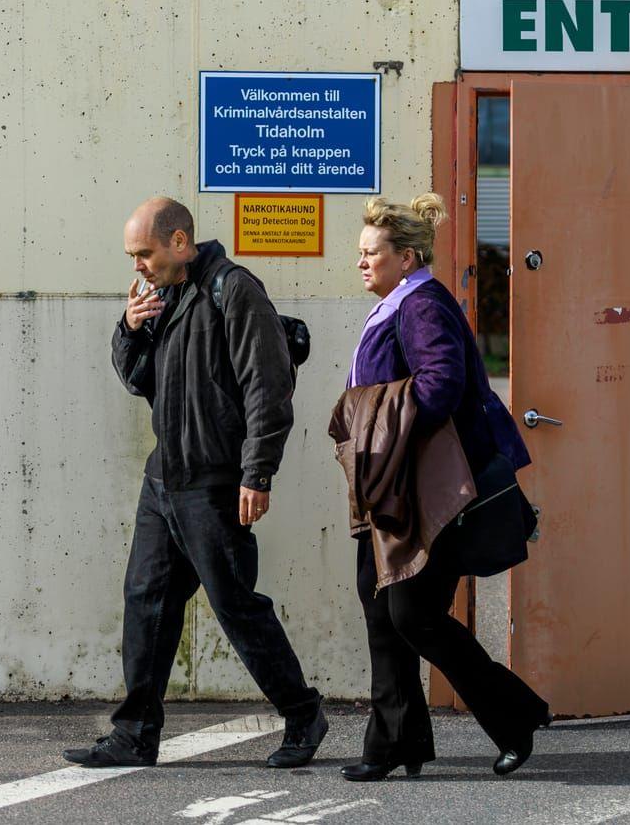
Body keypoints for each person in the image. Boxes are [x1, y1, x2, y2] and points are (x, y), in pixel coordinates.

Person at [63, 196, 327, 769]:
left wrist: (258, 472)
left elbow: (267, 387)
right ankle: (135, 734)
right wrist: (129, 329)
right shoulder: (165, 296)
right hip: (164, 479)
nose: (138, 265)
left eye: (144, 253)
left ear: (179, 242)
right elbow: (139, 381)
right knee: (146, 601)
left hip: (215, 480)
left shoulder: (233, 290)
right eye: (133, 255)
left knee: (234, 604)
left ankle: (303, 712)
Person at [336, 192, 550, 781]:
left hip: (430, 492)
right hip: (395, 488)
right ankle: (394, 744)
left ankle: (516, 715)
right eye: (360, 252)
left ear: (406, 258)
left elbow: (440, 385)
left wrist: (379, 427)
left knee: (413, 614)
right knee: (383, 609)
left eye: (371, 253)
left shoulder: (422, 305)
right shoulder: (397, 304)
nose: (361, 262)